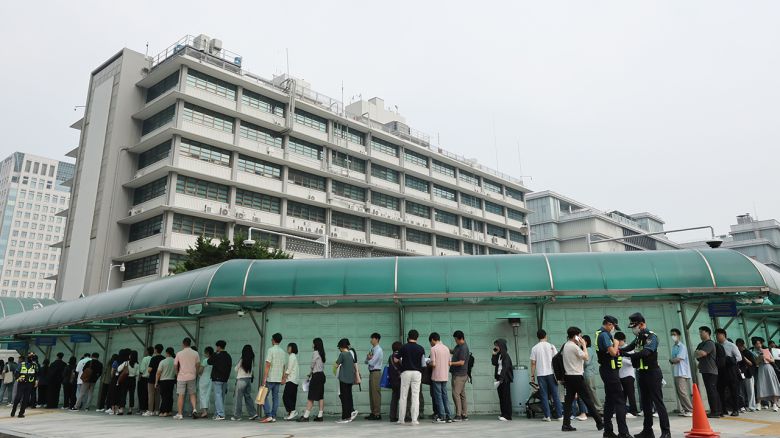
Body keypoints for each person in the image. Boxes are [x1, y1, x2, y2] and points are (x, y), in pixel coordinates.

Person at [622, 312, 670, 438]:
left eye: (635, 326)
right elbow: (630, 347)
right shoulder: (639, 337)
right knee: (646, 404)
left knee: (658, 403)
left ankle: (666, 432)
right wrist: (619, 351)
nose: (633, 329)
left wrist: (629, 356)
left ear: (642, 324)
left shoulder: (651, 336)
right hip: (642, 373)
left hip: (652, 373)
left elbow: (646, 352)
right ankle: (647, 431)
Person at [560, 327, 604, 432]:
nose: (580, 337)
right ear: (575, 336)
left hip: (568, 376)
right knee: (588, 399)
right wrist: (584, 345)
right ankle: (599, 423)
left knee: (568, 402)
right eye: (579, 335)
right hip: (576, 376)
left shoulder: (566, 345)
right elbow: (586, 357)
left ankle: (566, 424)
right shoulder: (574, 347)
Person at [596, 315, 630, 438]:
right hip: (609, 371)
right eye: (613, 327)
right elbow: (613, 352)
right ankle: (623, 433)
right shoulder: (604, 335)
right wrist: (616, 344)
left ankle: (608, 431)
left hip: (608, 370)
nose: (613, 329)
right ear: (609, 324)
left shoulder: (601, 334)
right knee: (620, 400)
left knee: (610, 400)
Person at [530, 329, 563, 421]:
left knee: (544, 395)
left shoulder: (534, 348)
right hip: (551, 373)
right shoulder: (551, 346)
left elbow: (533, 363)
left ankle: (547, 416)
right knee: (555, 394)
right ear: (546, 336)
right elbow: (556, 360)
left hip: (541, 375)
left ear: (538, 337)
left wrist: (532, 375)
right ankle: (559, 415)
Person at [396, 329, 425, 425]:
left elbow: (396, 359)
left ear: (408, 337)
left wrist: (402, 362)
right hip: (417, 373)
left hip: (406, 372)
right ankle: (414, 420)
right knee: (415, 396)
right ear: (417, 337)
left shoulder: (403, 347)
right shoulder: (421, 348)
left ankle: (401, 419)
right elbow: (423, 364)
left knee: (403, 396)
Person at [695, 326, 721, 418]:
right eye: (699, 332)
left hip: (711, 371)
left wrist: (699, 352)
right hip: (705, 370)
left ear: (707, 333)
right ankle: (715, 410)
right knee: (710, 391)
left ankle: (716, 411)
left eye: (701, 332)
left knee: (712, 391)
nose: (700, 334)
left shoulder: (709, 343)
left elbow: (702, 353)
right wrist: (698, 353)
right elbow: (696, 354)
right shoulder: (701, 344)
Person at [298, 338, 326, 422]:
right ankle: (320, 416)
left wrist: (310, 374)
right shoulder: (322, 353)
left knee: (311, 396)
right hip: (321, 375)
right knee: (320, 396)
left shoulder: (315, 352)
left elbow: (312, 365)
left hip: (316, 376)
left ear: (315, 344)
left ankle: (306, 416)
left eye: (313, 343)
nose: (312, 344)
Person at [715, 328, 742, 417]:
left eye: (718, 335)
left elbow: (739, 357)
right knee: (720, 390)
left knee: (733, 390)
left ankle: (735, 409)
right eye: (716, 335)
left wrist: (729, 360)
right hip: (721, 370)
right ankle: (723, 409)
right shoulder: (716, 346)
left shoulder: (731, 345)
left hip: (731, 370)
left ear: (723, 335)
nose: (717, 337)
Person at [259, 332, 286, 423]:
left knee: (263, 396)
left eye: (271, 339)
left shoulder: (270, 350)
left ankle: (268, 415)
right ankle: (273, 416)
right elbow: (283, 366)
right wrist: (283, 378)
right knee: (275, 398)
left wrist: (264, 378)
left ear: (273, 340)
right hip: (278, 378)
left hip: (270, 378)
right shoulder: (283, 352)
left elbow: (268, 365)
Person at [427, 332, 451, 423]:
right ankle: (448, 416)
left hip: (437, 376)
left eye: (430, 342)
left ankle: (441, 416)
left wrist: (428, 362)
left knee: (438, 397)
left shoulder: (433, 349)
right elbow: (449, 362)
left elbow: (433, 364)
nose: (430, 344)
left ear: (433, 340)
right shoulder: (446, 348)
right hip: (445, 375)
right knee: (445, 396)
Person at [668, 328, 693, 417]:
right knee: (679, 392)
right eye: (672, 334)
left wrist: (672, 360)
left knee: (683, 392)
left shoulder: (682, 347)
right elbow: (674, 359)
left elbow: (678, 359)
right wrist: (672, 360)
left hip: (682, 372)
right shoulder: (674, 347)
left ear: (678, 335)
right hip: (676, 372)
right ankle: (685, 409)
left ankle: (690, 410)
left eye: (674, 334)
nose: (673, 336)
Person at [173, 337, 200, 420]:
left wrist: (177, 373)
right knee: (192, 394)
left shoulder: (179, 353)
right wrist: (196, 373)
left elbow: (175, 365)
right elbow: (198, 364)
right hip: (192, 376)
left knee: (181, 395)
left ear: (183, 344)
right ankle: (194, 409)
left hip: (181, 377)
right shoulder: (195, 353)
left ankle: (180, 414)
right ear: (190, 344)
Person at [751, 337, 780, 410]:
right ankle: (759, 403)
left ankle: (775, 403)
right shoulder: (753, 352)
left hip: (769, 368)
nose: (759, 345)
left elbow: (773, 360)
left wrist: (766, 358)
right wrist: (760, 357)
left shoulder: (766, 350)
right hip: (761, 368)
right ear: (754, 345)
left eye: (759, 343)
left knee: (772, 384)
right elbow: (756, 363)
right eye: (757, 344)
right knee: (761, 385)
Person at [335, 338, 358, 423]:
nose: (339, 349)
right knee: (348, 398)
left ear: (341, 347)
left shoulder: (342, 354)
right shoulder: (350, 354)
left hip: (343, 380)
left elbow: (336, 365)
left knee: (344, 399)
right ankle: (349, 416)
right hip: (350, 380)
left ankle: (345, 417)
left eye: (339, 348)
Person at [449, 330, 470, 422]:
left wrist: (451, 363)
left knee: (455, 394)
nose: (455, 341)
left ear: (460, 338)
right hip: (459, 374)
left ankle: (458, 415)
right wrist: (446, 348)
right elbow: (454, 352)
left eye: (455, 339)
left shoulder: (463, 348)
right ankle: (464, 414)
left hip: (460, 375)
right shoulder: (458, 346)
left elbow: (462, 362)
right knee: (461, 394)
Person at [232, 344, 258, 421]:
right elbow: (252, 370)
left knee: (238, 398)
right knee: (248, 397)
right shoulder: (252, 360)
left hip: (241, 380)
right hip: (248, 380)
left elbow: (235, 369)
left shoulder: (242, 359)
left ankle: (237, 416)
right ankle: (253, 414)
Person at [615, 332, 638, 417]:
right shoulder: (616, 349)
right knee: (622, 395)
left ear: (623, 340)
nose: (617, 343)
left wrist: (621, 359)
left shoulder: (629, 348)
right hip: (620, 375)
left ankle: (633, 411)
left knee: (630, 394)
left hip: (628, 375)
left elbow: (632, 363)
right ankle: (622, 411)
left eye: (618, 341)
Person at [209, 340, 231, 421]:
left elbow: (209, 361)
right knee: (221, 397)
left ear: (218, 347)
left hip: (217, 378)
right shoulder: (228, 356)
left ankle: (220, 414)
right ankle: (217, 413)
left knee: (218, 396)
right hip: (225, 379)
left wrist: (214, 353)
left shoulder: (216, 355)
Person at [492, 338, 513, 421]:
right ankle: (503, 414)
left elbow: (505, 368)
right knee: (501, 397)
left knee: (506, 397)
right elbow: (494, 363)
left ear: (501, 346)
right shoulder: (499, 355)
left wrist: (501, 378)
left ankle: (507, 415)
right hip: (499, 378)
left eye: (497, 345)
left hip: (505, 379)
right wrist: (494, 354)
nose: (496, 347)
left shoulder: (506, 356)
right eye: (495, 346)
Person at [11, 353, 38, 418]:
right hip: (21, 383)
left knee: (26, 399)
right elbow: (16, 373)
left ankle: (21, 413)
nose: (31, 358)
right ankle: (13, 410)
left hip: (29, 384)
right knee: (18, 397)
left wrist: (36, 381)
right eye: (30, 357)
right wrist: (18, 378)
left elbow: (36, 374)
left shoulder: (34, 365)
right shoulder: (22, 364)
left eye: (32, 357)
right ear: (27, 358)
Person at [364, 332, 384, 420]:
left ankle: (377, 413)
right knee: (371, 393)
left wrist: (369, 359)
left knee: (376, 393)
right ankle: (373, 412)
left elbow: (372, 362)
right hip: (371, 372)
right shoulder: (372, 349)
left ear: (376, 339)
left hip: (376, 372)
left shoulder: (379, 350)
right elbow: (366, 361)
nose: (371, 340)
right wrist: (368, 358)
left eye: (372, 338)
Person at [582, 335, 603, 415]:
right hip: (586, 373)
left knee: (592, 391)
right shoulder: (584, 350)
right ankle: (592, 409)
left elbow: (586, 362)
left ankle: (599, 409)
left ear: (586, 342)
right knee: (588, 392)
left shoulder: (588, 350)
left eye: (582, 341)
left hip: (588, 374)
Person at [735, 339, 757, 412]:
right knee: (742, 391)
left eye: (739, 346)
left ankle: (752, 406)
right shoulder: (737, 353)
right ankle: (744, 405)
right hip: (741, 374)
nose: (738, 347)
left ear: (742, 345)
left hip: (749, 374)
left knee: (750, 391)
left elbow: (752, 363)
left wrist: (743, 357)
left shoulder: (748, 352)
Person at [143, 344, 164, 416]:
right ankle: (157, 410)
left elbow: (149, 369)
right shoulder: (163, 358)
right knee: (158, 395)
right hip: (160, 379)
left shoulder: (153, 358)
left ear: (156, 350)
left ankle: (150, 410)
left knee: (151, 394)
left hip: (152, 379)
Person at [155, 347, 176, 417]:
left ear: (167, 353)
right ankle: (169, 411)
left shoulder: (163, 361)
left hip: (163, 381)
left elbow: (158, 373)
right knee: (170, 396)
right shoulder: (175, 361)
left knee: (164, 396)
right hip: (172, 380)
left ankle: (163, 411)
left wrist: (156, 382)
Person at [282, 343, 299, 420]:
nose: (287, 348)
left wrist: (284, 379)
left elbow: (289, 369)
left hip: (291, 380)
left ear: (292, 348)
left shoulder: (292, 356)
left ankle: (293, 411)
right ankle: (290, 413)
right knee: (291, 397)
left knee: (285, 397)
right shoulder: (293, 356)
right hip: (294, 380)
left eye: (289, 347)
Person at [197, 346, 214, 418]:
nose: (204, 354)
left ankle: (204, 411)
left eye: (205, 352)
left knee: (202, 394)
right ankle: (206, 410)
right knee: (207, 395)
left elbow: (200, 371)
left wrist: (198, 372)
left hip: (203, 379)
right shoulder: (214, 360)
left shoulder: (205, 360)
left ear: (207, 353)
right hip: (210, 379)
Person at [137, 346, 153, 415]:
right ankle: (147, 408)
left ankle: (142, 409)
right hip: (150, 379)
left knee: (142, 394)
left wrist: (139, 378)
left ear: (147, 352)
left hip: (143, 378)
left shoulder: (145, 359)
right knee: (148, 394)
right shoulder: (153, 358)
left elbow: (142, 369)